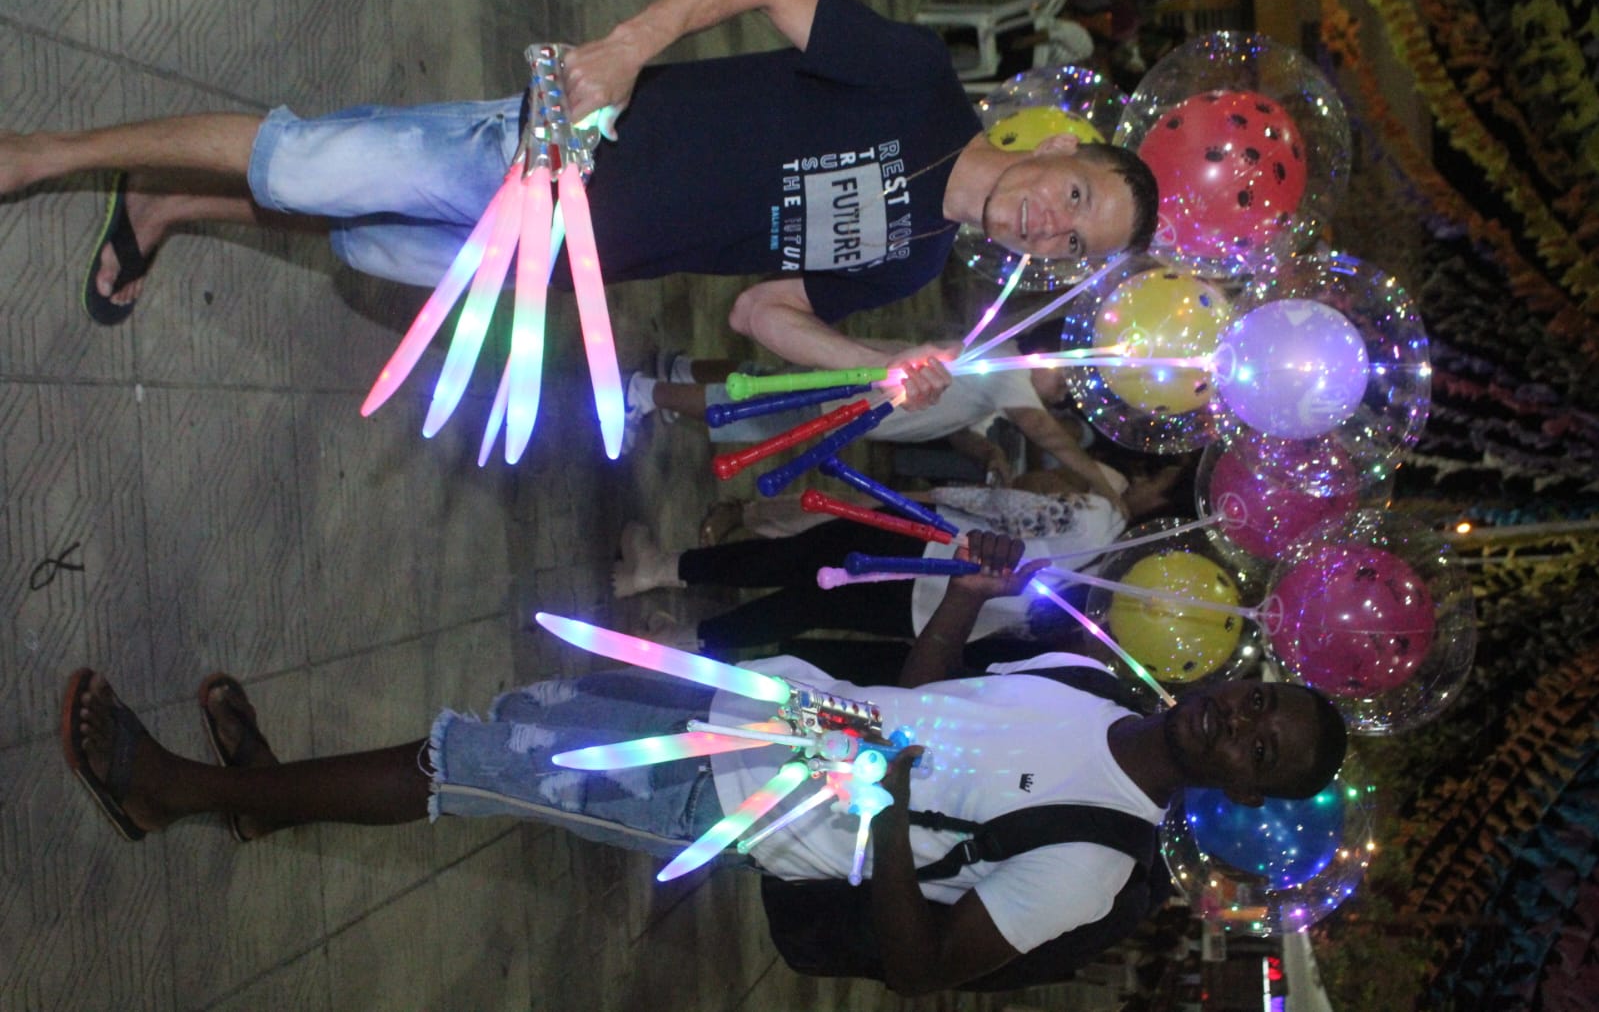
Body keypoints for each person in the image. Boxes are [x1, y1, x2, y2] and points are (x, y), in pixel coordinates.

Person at [63, 531, 1347, 995]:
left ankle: (177, 790)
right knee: (510, 719)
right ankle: (267, 802)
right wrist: (964, 597)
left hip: (730, 801)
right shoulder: (1090, 681)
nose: (1241, 722)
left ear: (1246, 793)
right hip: (751, 702)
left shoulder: (1095, 860)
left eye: (1263, 749)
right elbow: (926, 703)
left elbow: (922, 967)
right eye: (1261, 702)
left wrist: (887, 811)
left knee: (464, 761)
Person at [0, 0, 1157, 410]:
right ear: (1060, 150)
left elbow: (763, 314)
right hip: (554, 146)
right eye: (1075, 201)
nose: (1049, 228)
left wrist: (875, 365)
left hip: (562, 259)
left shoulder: (911, 261)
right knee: (310, 160)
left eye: (1073, 246)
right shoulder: (917, 86)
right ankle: (46, 155)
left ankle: (168, 201)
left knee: (354, 227)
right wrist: (629, 47)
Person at [611, 465, 1187, 662]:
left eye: (1159, 477)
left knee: (792, 559)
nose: (1144, 477)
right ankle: (684, 640)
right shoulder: (1114, 596)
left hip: (930, 549)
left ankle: (658, 569)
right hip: (937, 616)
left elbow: (1004, 506)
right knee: (804, 608)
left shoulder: (1097, 520)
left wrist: (934, 496)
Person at [625, 319, 1130, 503]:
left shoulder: (999, 378)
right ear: (1045, 357)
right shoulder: (1010, 369)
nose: (1060, 397)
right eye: (1063, 383)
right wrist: (1102, 484)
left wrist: (986, 451)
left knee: (760, 380)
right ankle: (644, 393)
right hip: (851, 397)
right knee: (751, 410)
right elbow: (1046, 433)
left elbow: (953, 428)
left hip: (854, 392)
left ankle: (680, 372)